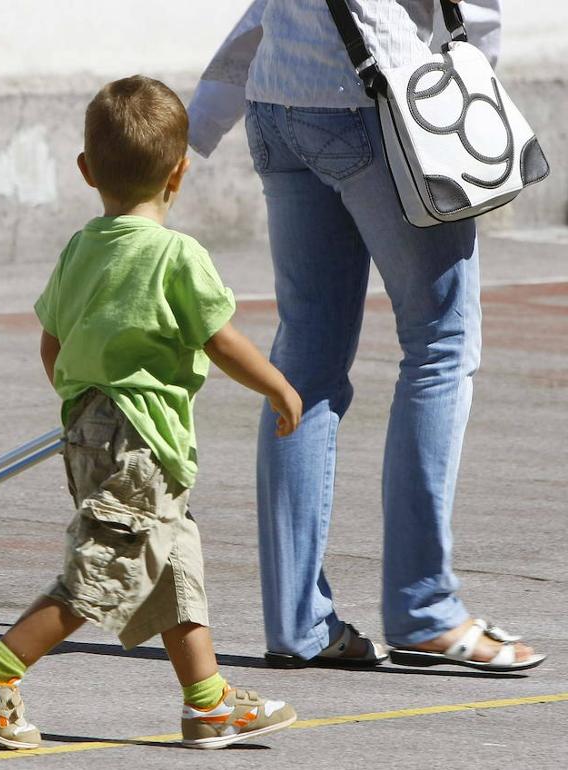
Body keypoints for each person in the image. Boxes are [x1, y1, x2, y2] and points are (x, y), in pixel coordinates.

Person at [0, 75, 303, 751]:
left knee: (172, 565)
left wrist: (83, 406)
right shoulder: (176, 255)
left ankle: (207, 703)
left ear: (85, 171)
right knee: (101, 574)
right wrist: (278, 387)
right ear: (180, 172)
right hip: (141, 442)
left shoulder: (82, 249)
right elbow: (219, 339)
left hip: (94, 431)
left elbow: (52, 343)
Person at [186, 0, 544, 672]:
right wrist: (472, 85)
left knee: (305, 365)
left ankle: (298, 625)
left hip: (277, 101)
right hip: (383, 101)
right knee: (439, 348)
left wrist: (206, 114)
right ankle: (424, 609)